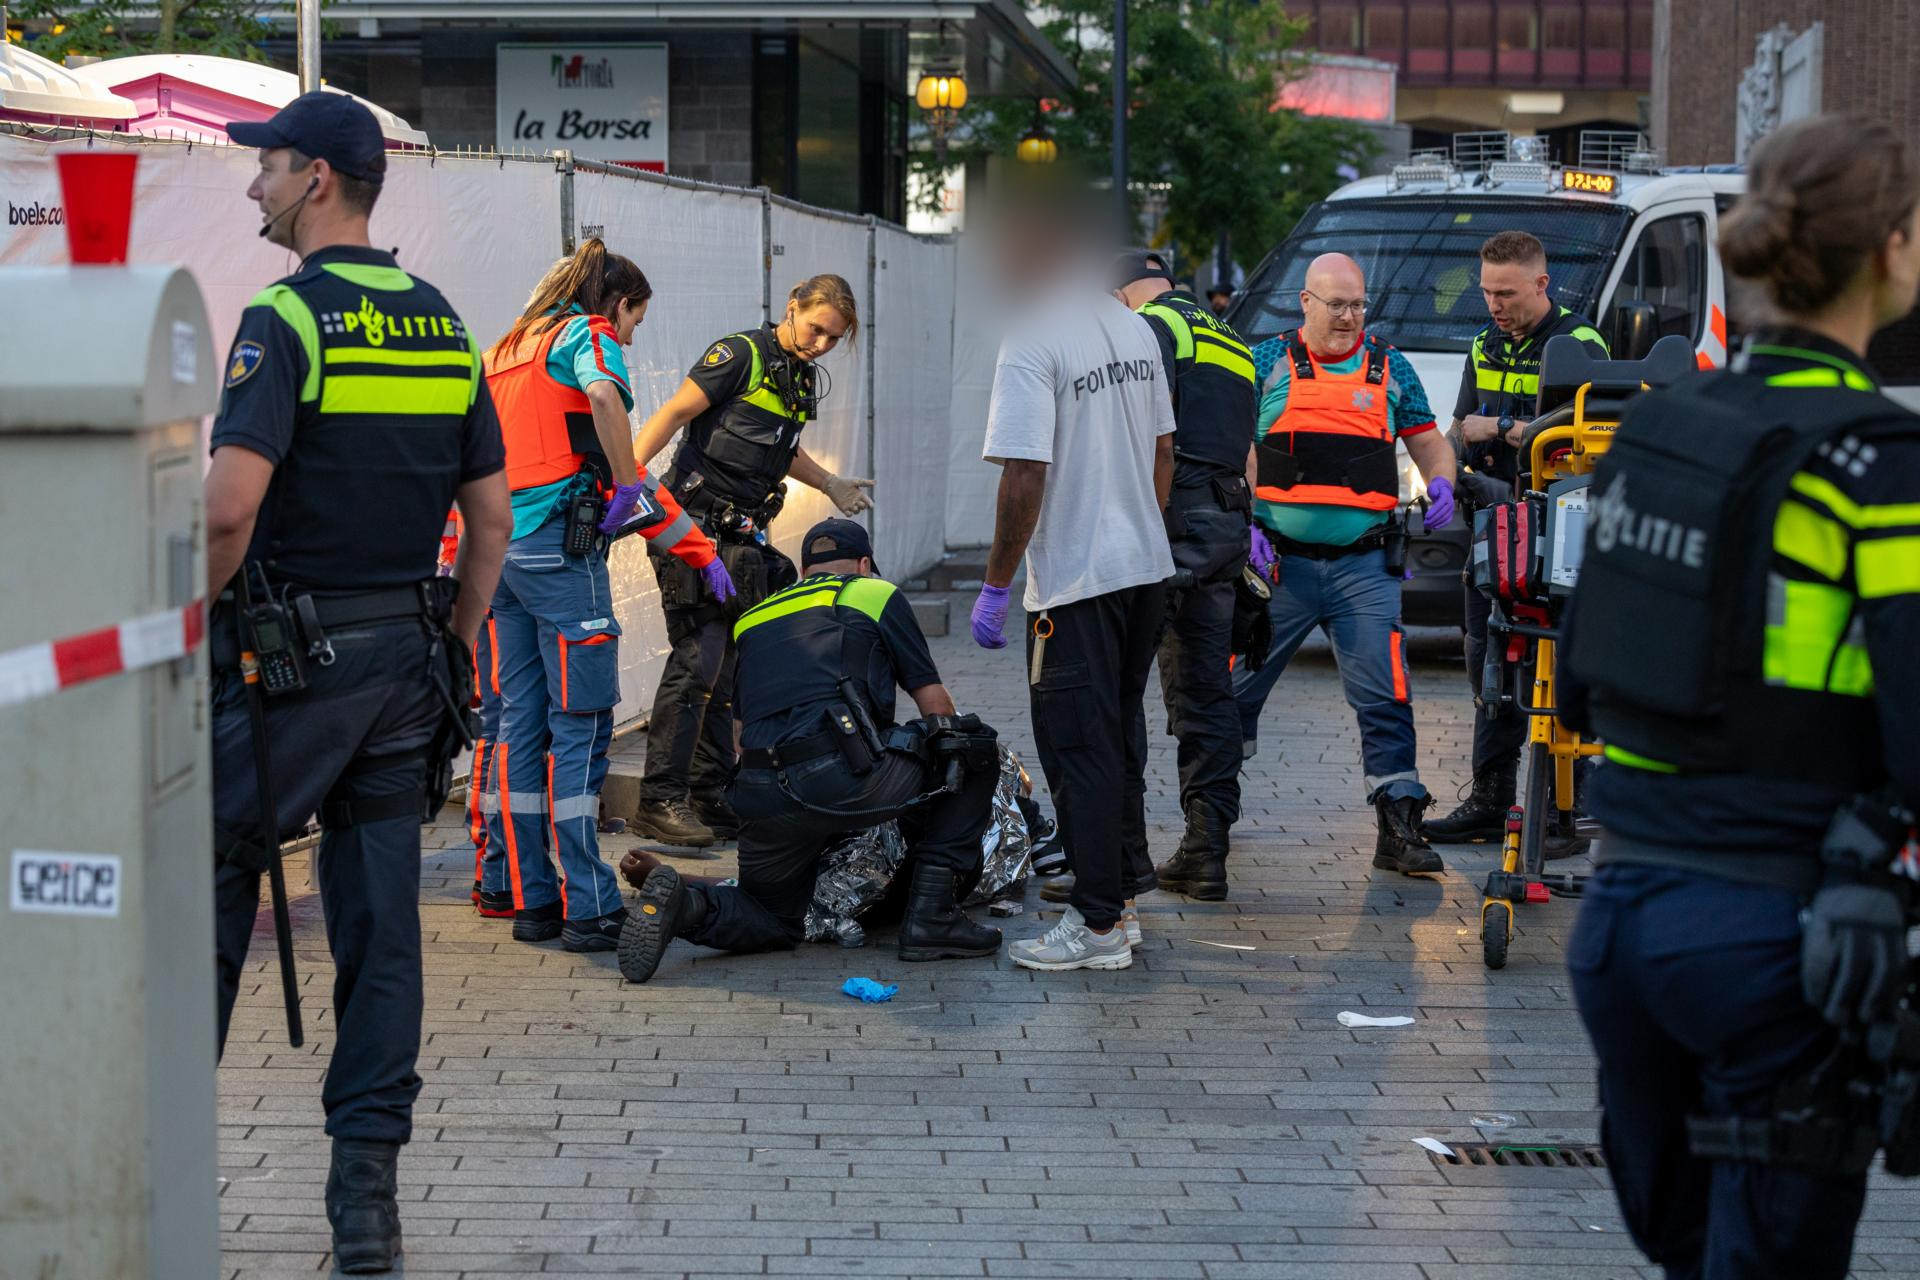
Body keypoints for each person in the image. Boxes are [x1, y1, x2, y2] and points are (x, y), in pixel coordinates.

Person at [1560, 115, 1920, 1280]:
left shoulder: (1657, 426)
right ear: (1897, 251)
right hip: (1783, 945)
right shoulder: (1882, 465)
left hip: (1622, 930)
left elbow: (1583, 668)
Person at [204, 92, 513, 1273]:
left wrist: (181, 627)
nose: (254, 190)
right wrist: (452, 644)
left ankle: (154, 1153)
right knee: (381, 928)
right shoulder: (440, 325)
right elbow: (488, 521)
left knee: (207, 884)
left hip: (285, 670)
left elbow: (230, 510)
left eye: (268, 169)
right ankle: (366, 1210)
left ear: (319, 178)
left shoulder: (284, 319)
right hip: (402, 667)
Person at [479, 240, 731, 951]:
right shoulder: (584, 336)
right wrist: (623, 478)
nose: (628, 338)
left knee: (519, 729)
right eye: (634, 324)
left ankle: (533, 901)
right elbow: (610, 429)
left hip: (497, 555)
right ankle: (590, 907)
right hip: (561, 559)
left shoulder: (507, 348)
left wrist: (699, 551)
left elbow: (605, 473)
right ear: (617, 305)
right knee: (582, 728)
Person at [615, 518, 1001, 980]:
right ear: (864, 564)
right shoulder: (873, 593)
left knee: (774, 917)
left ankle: (689, 906)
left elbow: (740, 735)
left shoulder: (755, 617)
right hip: (843, 777)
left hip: (759, 793)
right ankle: (933, 918)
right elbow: (937, 708)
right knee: (971, 746)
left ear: (803, 571)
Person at [969, 208, 1178, 973]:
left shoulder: (1032, 340)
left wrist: (997, 585)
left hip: (1079, 587)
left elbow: (1025, 473)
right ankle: (1118, 905)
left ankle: (1093, 930)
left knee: (1077, 749)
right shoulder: (1132, 328)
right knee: (1118, 741)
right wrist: (1136, 528)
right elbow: (1165, 450)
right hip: (1142, 573)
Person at [628, 276, 876, 848]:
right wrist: (627, 480)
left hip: (739, 536)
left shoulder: (800, 375)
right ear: (792, 308)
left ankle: (712, 796)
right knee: (699, 658)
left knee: (727, 669)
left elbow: (782, 447)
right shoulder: (739, 354)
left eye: (833, 339)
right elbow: (671, 414)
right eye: (816, 329)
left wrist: (830, 482)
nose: (820, 344)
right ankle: (659, 799)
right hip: (691, 522)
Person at [1237, 253, 1457, 876]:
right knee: (1229, 692)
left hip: (1364, 567)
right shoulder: (1264, 364)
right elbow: (1237, 449)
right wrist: (1248, 519)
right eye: (1337, 305)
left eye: (1358, 305)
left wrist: (1442, 483)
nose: (1350, 317)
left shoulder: (1390, 367)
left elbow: (1430, 442)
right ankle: (1207, 828)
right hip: (1277, 566)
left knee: (1386, 694)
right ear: (1304, 303)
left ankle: (1399, 826)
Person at [1423, 230, 1610, 848]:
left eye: (1506, 293)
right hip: (1494, 526)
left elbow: (1586, 435)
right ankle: (1491, 799)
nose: (1494, 305)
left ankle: (1565, 811)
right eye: (1486, 292)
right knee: (1487, 659)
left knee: (1555, 662)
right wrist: (1442, 478)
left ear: (1541, 284)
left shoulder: (1579, 344)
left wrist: (1500, 427)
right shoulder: (1483, 343)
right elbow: (1456, 429)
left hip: (1555, 528)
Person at [1110, 249, 1258, 900]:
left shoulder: (1152, 327)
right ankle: (1206, 854)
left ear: (1121, 297)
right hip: (1225, 529)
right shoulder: (1232, 340)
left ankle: (1119, 858)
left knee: (1115, 685)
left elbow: (1150, 433)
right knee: (1206, 693)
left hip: (1170, 520)